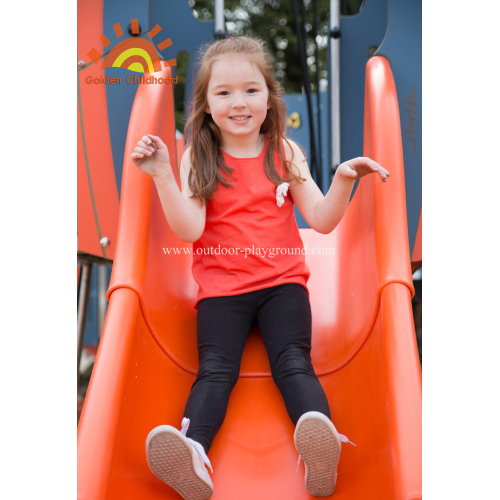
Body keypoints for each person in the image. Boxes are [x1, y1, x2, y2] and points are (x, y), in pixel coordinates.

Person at [131, 36, 389, 500]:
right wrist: (163, 175)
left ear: (269, 97)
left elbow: (323, 221)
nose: (239, 102)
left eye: (251, 90)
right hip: (221, 291)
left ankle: (320, 450)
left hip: (281, 285)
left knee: (293, 363)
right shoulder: (200, 156)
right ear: (206, 105)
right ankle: (193, 454)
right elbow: (189, 229)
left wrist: (344, 178)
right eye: (224, 93)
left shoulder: (284, 153)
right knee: (214, 369)